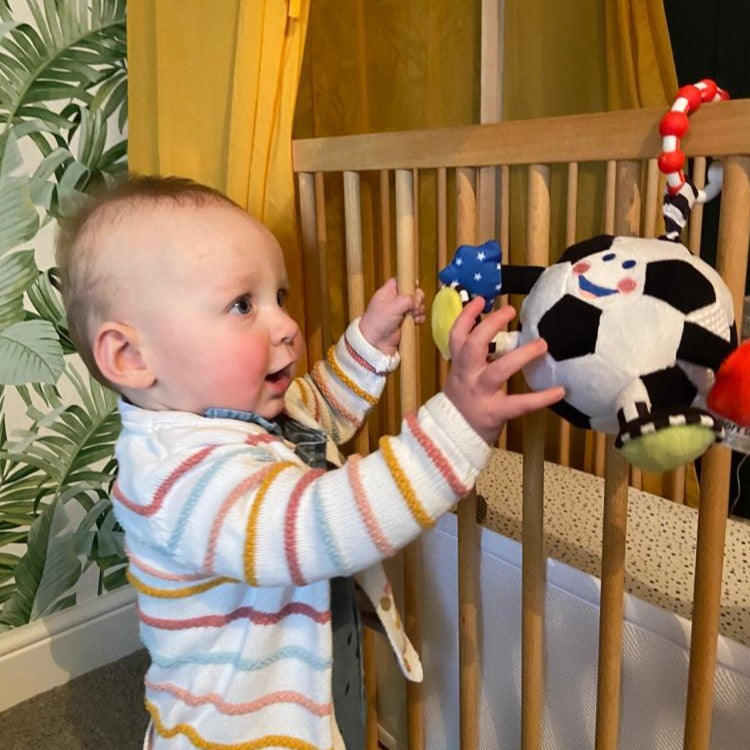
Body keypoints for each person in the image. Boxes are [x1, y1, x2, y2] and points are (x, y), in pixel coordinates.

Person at [55, 175, 564, 750]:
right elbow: (320, 522)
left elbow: (314, 413)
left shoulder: (242, 413)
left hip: (307, 692)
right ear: (130, 355)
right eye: (243, 304)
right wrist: (455, 428)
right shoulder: (177, 480)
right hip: (238, 732)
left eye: (281, 297)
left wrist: (369, 343)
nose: (288, 325)